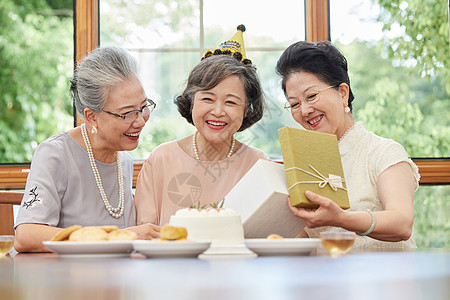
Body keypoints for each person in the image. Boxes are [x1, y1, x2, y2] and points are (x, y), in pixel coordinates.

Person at [14, 46, 160, 252]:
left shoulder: (123, 158)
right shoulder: (55, 154)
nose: (140, 121)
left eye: (143, 108)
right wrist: (118, 238)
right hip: (67, 279)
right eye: (127, 113)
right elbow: (26, 235)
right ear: (92, 117)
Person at [276, 41, 420, 248]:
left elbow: (401, 224)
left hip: (384, 279)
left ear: (342, 93)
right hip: (324, 279)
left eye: (311, 96)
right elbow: (309, 236)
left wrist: (340, 218)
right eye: (295, 104)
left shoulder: (384, 152)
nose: (305, 110)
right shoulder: (305, 165)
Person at [135, 25, 269, 228]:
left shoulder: (258, 165)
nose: (217, 111)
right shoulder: (161, 159)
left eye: (231, 102)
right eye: (208, 98)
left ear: (247, 109)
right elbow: (146, 233)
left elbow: (269, 234)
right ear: (191, 101)